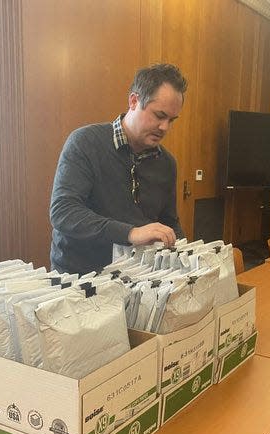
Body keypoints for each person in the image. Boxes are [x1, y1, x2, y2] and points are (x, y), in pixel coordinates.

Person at [49, 63, 187, 275]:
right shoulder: (85, 143)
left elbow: (169, 221)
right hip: (80, 278)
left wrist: (183, 254)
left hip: (137, 278)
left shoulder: (167, 163)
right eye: (159, 116)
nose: (165, 128)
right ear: (134, 101)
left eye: (171, 120)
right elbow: (63, 212)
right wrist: (130, 233)